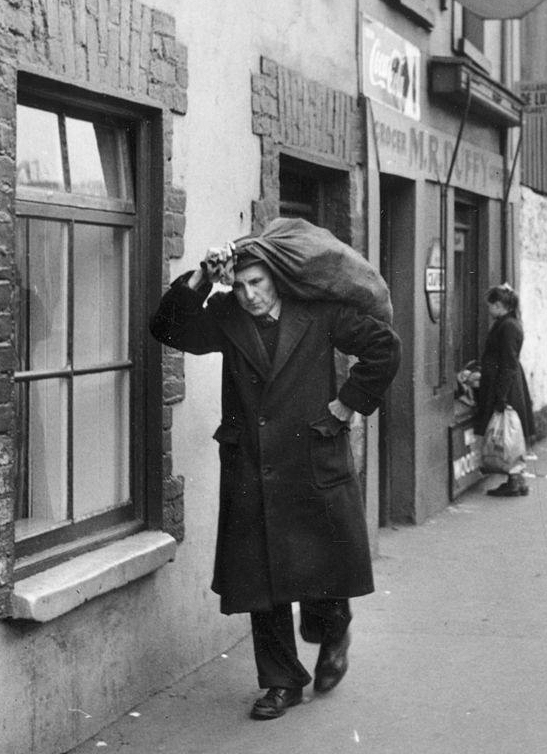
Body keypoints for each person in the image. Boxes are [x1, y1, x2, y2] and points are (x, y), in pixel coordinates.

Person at [150, 244, 400, 721]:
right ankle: (281, 682)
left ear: (278, 281)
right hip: (253, 465)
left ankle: (333, 631)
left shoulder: (320, 312)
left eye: (257, 284)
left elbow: (384, 348)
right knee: (259, 578)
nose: (248, 296)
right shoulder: (226, 313)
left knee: (322, 563)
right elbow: (167, 328)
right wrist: (204, 278)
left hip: (312, 454)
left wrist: (348, 403)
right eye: (239, 286)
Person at [474, 284, 535, 497]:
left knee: (508, 433)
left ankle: (515, 481)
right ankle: (517, 479)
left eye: (491, 305)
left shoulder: (507, 326)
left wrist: (501, 396)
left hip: (506, 385)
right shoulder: (508, 323)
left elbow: (508, 362)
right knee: (512, 433)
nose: (489, 309)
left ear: (499, 305)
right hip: (507, 384)